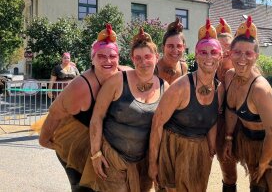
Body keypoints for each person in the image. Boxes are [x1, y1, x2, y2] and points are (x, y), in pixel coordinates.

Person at [39, 24, 131, 192]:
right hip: (74, 141)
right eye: (101, 56)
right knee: (82, 186)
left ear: (119, 57)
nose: (108, 61)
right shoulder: (81, 86)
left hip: (103, 140)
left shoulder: (127, 75)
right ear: (92, 59)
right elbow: (54, 113)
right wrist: (44, 140)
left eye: (112, 56)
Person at [82, 28, 168, 192]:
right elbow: (97, 117)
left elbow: (166, 128)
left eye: (148, 57)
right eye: (138, 57)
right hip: (112, 158)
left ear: (156, 57)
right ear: (132, 59)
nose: (143, 62)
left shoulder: (165, 88)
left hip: (143, 161)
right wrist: (96, 154)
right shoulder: (117, 81)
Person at [149, 19, 223, 192]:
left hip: (199, 152)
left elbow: (213, 119)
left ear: (220, 55)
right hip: (173, 150)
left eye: (213, 52)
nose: (208, 57)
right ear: (196, 55)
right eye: (203, 52)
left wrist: (212, 147)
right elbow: (157, 123)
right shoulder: (181, 87)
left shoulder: (220, 89)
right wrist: (153, 163)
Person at [223, 16, 272, 192]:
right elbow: (231, 111)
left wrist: (264, 163)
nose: (242, 58)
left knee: (261, 188)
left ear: (256, 56)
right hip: (248, 141)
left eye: (248, 53)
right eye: (237, 52)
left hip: (270, 147)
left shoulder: (259, 89)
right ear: (230, 53)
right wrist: (229, 137)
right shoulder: (229, 76)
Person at [214, 18, 238, 192]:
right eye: (219, 48)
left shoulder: (246, 74)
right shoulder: (204, 75)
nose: (224, 52)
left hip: (245, 129)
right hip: (218, 129)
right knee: (229, 175)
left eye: (228, 47)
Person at [155, 18, 188, 84]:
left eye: (179, 46)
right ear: (163, 47)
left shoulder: (183, 67)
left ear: (184, 47)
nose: (175, 50)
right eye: (170, 46)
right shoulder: (154, 68)